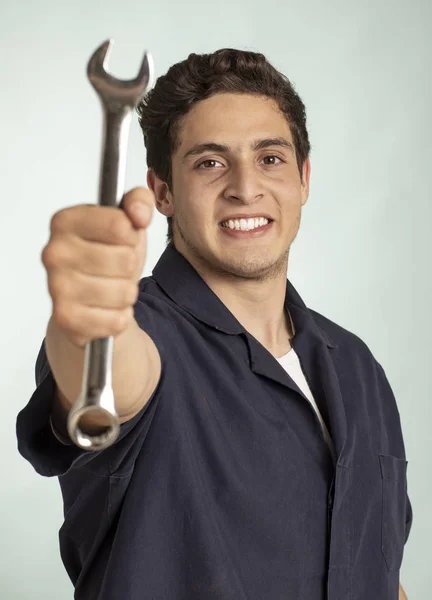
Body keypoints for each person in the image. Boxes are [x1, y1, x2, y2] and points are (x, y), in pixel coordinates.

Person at [16, 48, 412, 600]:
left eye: (270, 158)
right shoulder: (139, 332)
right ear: (162, 192)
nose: (245, 187)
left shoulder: (358, 367)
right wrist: (87, 321)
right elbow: (109, 376)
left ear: (303, 179)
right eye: (210, 162)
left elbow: (378, 566)